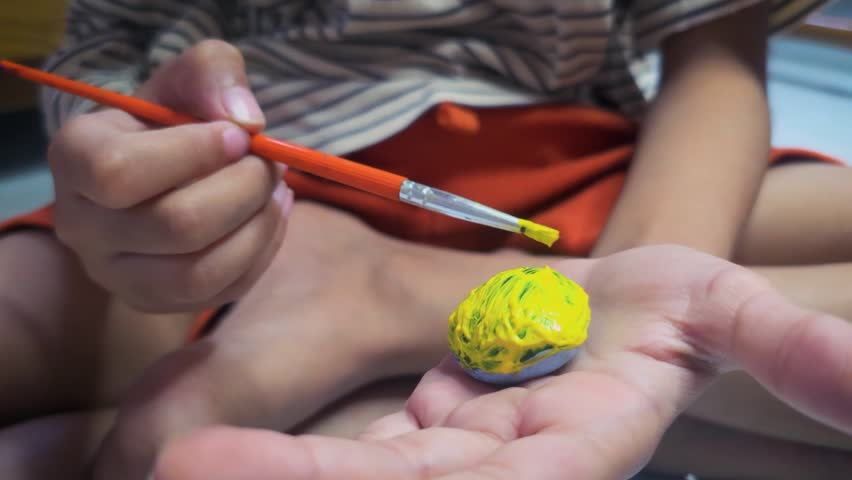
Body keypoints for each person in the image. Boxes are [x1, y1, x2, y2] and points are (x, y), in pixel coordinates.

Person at [0, 1, 850, 479]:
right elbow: (102, 60)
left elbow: (716, 60)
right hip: (256, 203)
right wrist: (126, 174)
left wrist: (633, 282)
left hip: (592, 168)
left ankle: (388, 305)